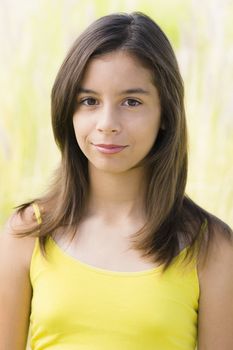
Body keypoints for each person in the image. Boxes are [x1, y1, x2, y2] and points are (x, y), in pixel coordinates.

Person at [0, 11, 233, 350]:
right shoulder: (28, 233)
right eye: (89, 101)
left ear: (166, 114)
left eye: (131, 102)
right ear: (69, 109)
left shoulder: (211, 248)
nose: (107, 123)